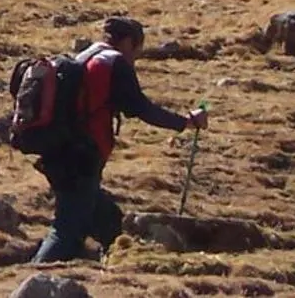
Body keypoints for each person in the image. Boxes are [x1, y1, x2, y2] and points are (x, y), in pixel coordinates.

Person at [33, 15, 209, 264]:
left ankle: (115, 264)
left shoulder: (85, 56)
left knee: (109, 223)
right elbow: (140, 108)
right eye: (137, 50)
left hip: (59, 151)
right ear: (128, 42)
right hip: (82, 156)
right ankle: (37, 274)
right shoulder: (113, 63)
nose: (135, 57)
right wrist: (185, 122)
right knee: (67, 230)